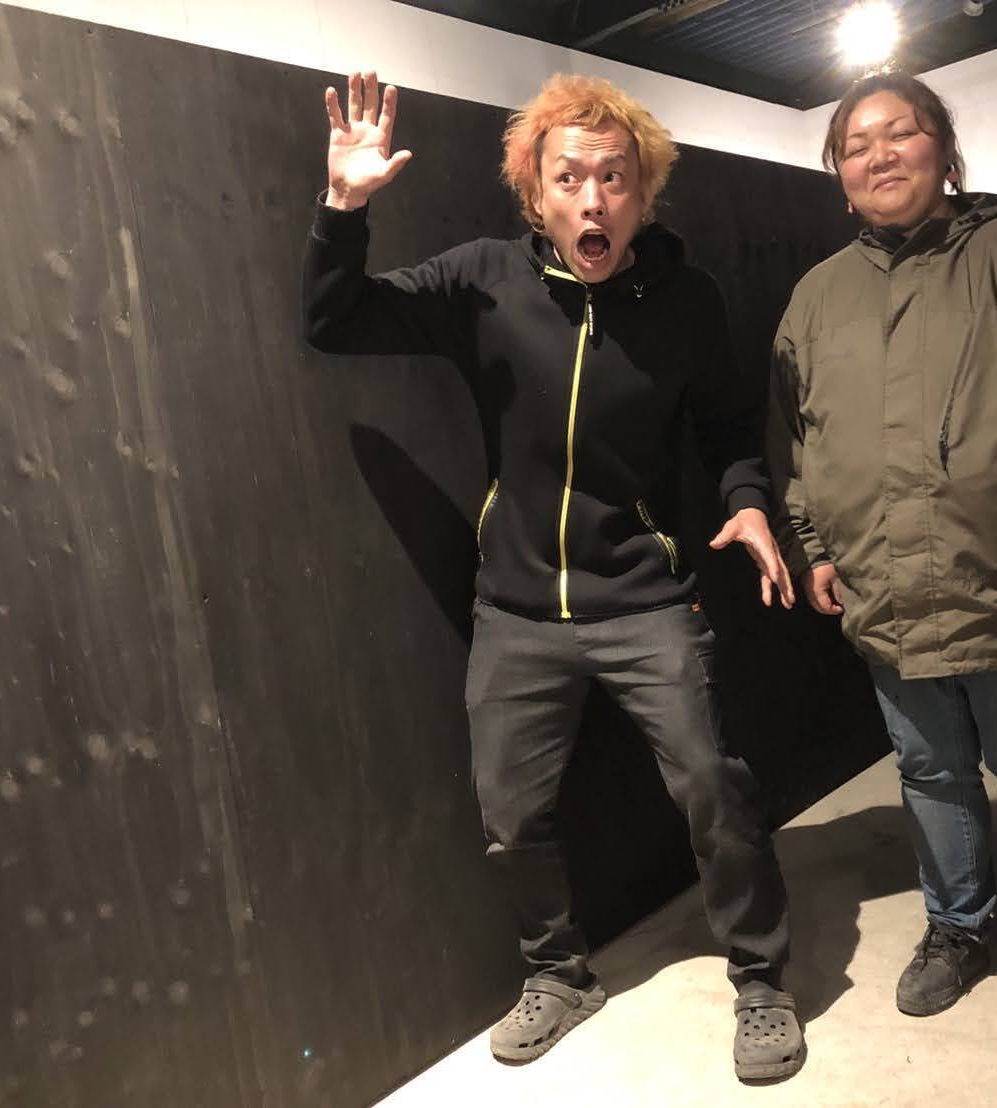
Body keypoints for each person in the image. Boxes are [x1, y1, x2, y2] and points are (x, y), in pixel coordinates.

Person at [302, 69, 805, 1080]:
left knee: (715, 788)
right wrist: (343, 207)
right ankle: (558, 974)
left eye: (613, 177)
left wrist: (749, 499)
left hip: (648, 601)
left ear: (643, 193)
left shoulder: (687, 302)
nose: (592, 199)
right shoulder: (483, 278)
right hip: (517, 611)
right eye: (569, 177)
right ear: (534, 192)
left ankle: (760, 981)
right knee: (510, 816)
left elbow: (723, 428)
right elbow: (336, 320)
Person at [768, 73, 997, 1051]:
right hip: (880, 580)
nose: (878, 155)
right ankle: (957, 926)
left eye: (901, 133)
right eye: (855, 145)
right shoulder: (816, 296)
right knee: (929, 770)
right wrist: (809, 545)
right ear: (838, 175)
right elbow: (792, 438)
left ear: (943, 150)